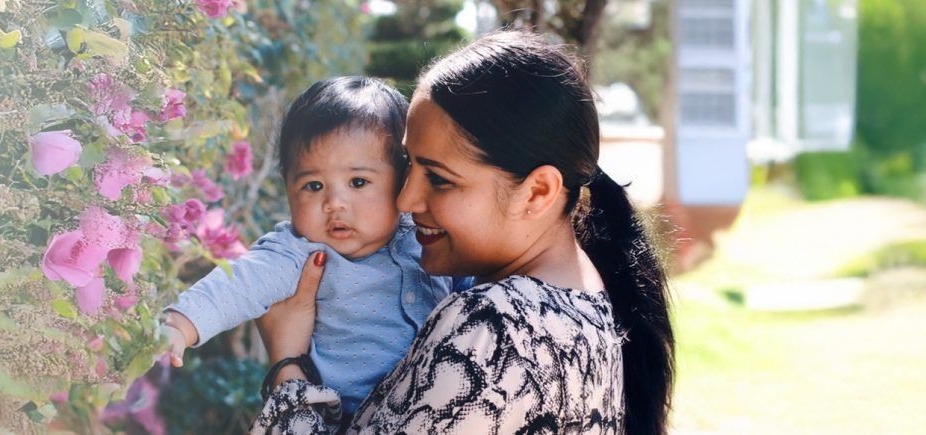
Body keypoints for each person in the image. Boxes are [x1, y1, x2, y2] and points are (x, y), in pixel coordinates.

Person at [251, 31, 675, 434]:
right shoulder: (583, 299)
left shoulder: (494, 326)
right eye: (408, 166)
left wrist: (288, 364)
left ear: (538, 191)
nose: (405, 200)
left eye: (439, 179)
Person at [161, 76, 472, 415]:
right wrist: (181, 324)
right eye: (312, 185)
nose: (334, 202)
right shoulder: (297, 253)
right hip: (348, 417)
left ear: (402, 179)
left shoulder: (423, 234)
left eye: (358, 182)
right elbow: (237, 283)